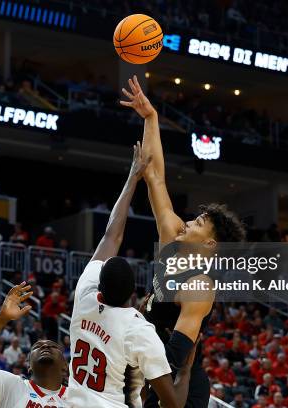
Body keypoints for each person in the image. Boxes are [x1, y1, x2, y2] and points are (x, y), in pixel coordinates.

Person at [121, 75, 246, 408]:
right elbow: (155, 176)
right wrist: (151, 118)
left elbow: (177, 355)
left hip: (178, 385)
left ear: (209, 245)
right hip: (150, 372)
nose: (189, 221)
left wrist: (142, 391)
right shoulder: (172, 238)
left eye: (199, 223)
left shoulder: (200, 286)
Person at [67, 143, 194, 408]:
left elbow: (111, 235)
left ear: (99, 289)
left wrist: (132, 178)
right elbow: (172, 404)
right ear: (133, 294)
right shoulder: (137, 329)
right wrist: (186, 370)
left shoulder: (85, 296)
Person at [0, 283, 68, 407]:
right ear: (28, 365)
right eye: (37, 347)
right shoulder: (11, 385)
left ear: (65, 366)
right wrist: (2, 318)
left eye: (53, 346)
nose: (45, 346)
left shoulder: (80, 399)